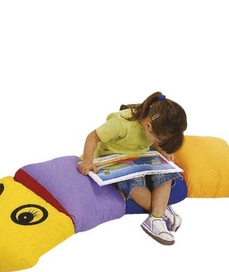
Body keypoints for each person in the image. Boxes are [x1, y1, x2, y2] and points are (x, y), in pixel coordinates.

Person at [78, 91, 187, 245]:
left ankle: (157, 214)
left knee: (167, 174)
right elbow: (93, 137)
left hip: (140, 156)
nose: (158, 143)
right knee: (134, 183)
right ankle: (159, 215)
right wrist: (87, 161)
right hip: (115, 159)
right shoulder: (120, 124)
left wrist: (163, 150)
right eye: (159, 141)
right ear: (148, 126)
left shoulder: (154, 121)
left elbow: (154, 141)